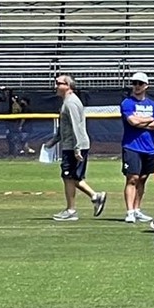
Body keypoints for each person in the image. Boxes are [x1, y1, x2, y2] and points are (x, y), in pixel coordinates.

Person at [47, 74, 108, 220]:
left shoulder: (71, 102)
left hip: (74, 145)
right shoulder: (66, 102)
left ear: (68, 86)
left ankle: (72, 209)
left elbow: (76, 126)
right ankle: (94, 197)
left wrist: (77, 147)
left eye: (59, 83)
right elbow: (65, 127)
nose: (55, 86)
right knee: (71, 177)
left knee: (69, 176)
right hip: (71, 144)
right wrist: (53, 141)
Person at [119, 72, 154, 223]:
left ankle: (137, 209)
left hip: (149, 148)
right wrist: (150, 120)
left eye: (139, 83)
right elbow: (133, 122)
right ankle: (130, 211)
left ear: (146, 86)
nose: (136, 86)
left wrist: (142, 121)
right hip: (132, 146)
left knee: (143, 179)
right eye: (134, 83)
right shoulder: (127, 103)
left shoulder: (153, 105)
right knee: (132, 178)